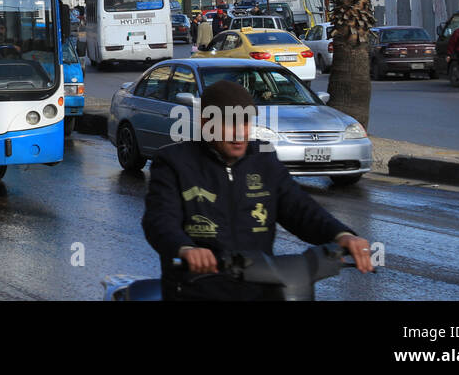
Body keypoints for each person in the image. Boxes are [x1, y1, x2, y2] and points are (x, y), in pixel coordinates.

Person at [143, 80, 374, 300]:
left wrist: (342, 236)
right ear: (206, 124)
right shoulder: (174, 162)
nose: (240, 132)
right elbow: (160, 219)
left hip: (262, 288)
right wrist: (185, 249)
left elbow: (300, 208)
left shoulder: (264, 159)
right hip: (196, 288)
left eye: (245, 122)